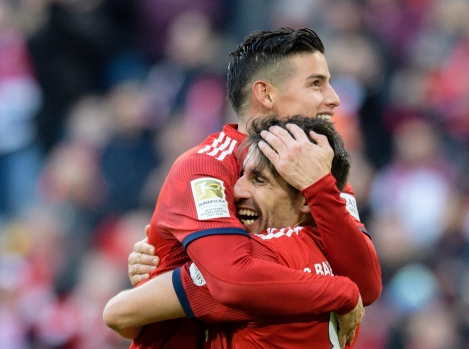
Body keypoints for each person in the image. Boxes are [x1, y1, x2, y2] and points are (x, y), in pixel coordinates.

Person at [122, 28, 381, 348]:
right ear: (266, 94)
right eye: (316, 83)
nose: (334, 98)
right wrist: (341, 292)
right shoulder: (204, 168)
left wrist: (320, 187)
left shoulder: (318, 166)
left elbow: (367, 285)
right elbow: (232, 281)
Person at [105, 115, 369, 348]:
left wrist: (166, 266)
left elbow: (119, 315)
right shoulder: (340, 256)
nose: (237, 190)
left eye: (259, 180)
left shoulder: (251, 264)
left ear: (305, 199)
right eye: (242, 175)